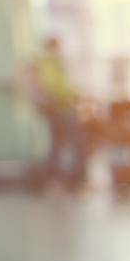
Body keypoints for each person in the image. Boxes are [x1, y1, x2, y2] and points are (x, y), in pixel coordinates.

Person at [34, 36, 88, 187]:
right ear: (54, 47)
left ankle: (53, 177)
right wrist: (74, 96)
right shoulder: (51, 63)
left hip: (56, 107)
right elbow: (56, 86)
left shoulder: (46, 63)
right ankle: (76, 178)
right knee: (77, 141)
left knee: (58, 143)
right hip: (61, 106)